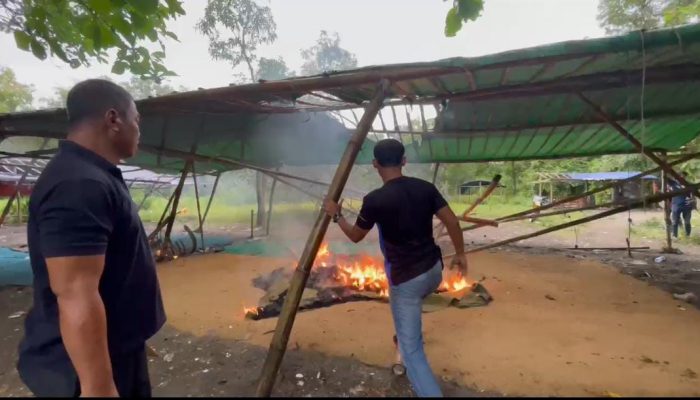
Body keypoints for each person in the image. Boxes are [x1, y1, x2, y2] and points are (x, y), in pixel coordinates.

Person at [17, 79, 166, 397]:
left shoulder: (92, 174)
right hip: (80, 369)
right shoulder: (79, 183)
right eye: (136, 120)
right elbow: (75, 293)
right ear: (113, 120)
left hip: (114, 349)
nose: (139, 130)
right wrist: (98, 386)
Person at [323, 139, 467, 397]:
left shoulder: (375, 200)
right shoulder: (426, 188)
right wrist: (461, 255)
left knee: (412, 353)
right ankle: (404, 335)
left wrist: (337, 215)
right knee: (407, 320)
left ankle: (412, 355)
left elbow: (355, 236)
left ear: (375, 164)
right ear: (404, 161)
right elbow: (453, 222)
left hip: (406, 281)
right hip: (434, 272)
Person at [668, 172, 696, 238]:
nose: (682, 177)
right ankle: (675, 236)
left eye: (684, 176)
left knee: (687, 222)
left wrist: (692, 202)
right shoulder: (673, 183)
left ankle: (687, 236)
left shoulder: (688, 184)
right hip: (676, 205)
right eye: (681, 176)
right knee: (675, 222)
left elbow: (693, 195)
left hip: (687, 205)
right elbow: (665, 177)